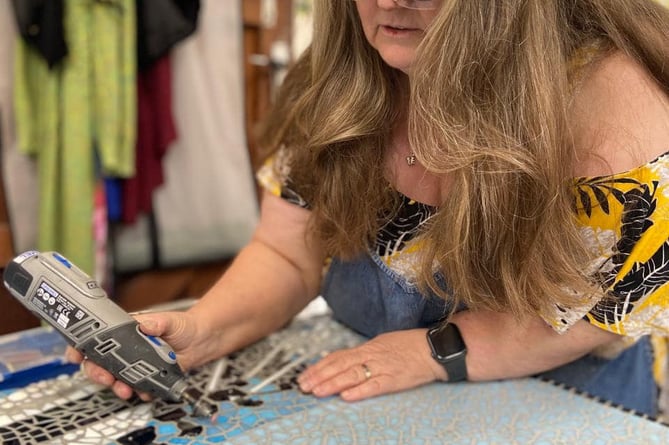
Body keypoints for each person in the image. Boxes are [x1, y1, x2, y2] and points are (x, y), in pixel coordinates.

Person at [69, 0, 669, 418]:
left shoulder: (618, 107)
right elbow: (285, 251)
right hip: (387, 391)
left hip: (566, 399)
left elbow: (588, 313)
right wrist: (203, 329)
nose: (390, 0)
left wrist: (432, 352)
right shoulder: (337, 80)